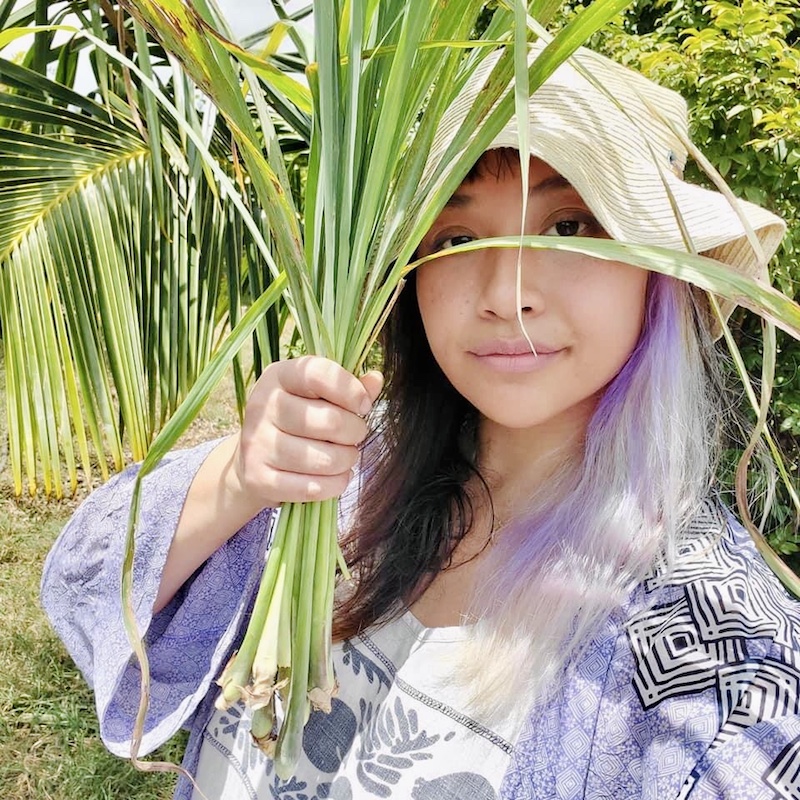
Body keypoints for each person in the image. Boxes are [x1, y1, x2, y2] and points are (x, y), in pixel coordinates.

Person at [41, 42, 800, 800]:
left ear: (661, 270)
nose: (506, 293)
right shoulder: (340, 479)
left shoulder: (719, 660)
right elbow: (83, 585)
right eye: (459, 239)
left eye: (570, 226)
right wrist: (241, 476)